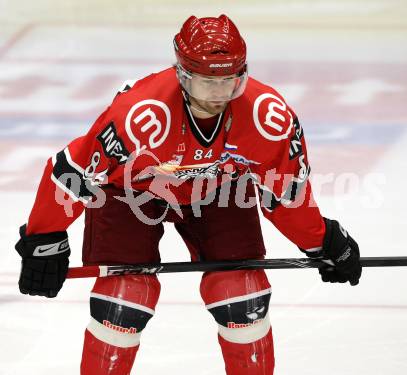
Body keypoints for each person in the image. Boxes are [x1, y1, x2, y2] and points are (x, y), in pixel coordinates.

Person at [14, 14, 361, 375]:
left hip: (220, 188)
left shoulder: (267, 116)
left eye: (230, 80)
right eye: (208, 81)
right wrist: (45, 239)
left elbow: (285, 193)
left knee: (242, 297)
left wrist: (321, 241)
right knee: (123, 302)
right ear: (182, 74)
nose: (220, 93)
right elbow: (74, 171)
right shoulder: (141, 114)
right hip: (130, 189)